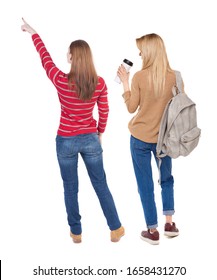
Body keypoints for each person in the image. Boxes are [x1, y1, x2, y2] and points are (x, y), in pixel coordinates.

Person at [21, 18, 124, 243]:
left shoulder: (60, 79)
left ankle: (76, 233)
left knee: (70, 188)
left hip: (66, 140)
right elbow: (104, 111)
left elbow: (45, 58)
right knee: (101, 184)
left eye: (68, 52)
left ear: (71, 57)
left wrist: (34, 33)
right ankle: (115, 228)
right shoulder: (100, 83)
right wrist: (100, 133)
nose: (66, 55)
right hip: (90, 139)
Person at [117, 33, 179, 245]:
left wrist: (125, 83)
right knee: (167, 179)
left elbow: (131, 108)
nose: (140, 53)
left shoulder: (139, 77)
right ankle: (170, 224)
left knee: (145, 185)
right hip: (165, 140)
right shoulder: (174, 77)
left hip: (140, 139)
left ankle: (152, 231)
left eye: (141, 49)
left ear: (150, 51)